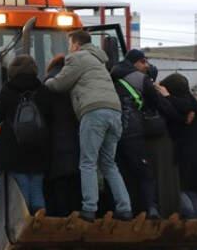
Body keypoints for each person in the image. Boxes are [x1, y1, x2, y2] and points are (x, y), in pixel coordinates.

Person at [45, 30, 132, 222]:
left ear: (75, 44)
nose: (69, 49)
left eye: (69, 44)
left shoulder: (77, 58)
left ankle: (89, 208)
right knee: (109, 164)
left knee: (87, 162)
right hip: (114, 112)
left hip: (94, 113)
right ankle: (124, 207)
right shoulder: (100, 61)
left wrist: (45, 83)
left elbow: (60, 84)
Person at [0, 55, 51, 215]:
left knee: (22, 186)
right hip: (38, 149)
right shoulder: (43, 90)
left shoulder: (8, 90)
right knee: (37, 186)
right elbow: (50, 117)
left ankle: (24, 225)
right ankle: (39, 219)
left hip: (13, 149)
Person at [110, 49, 161, 220]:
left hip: (114, 131)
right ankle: (151, 208)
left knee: (121, 172)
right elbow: (160, 104)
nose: (146, 66)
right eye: (143, 62)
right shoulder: (141, 80)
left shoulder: (110, 76)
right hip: (133, 131)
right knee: (144, 172)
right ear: (136, 63)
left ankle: (125, 210)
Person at [157, 73, 197, 219]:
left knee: (181, 188)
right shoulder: (191, 102)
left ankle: (192, 219)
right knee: (190, 189)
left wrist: (166, 97)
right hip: (196, 152)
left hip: (184, 152)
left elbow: (177, 110)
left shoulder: (182, 104)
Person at [44, 55, 82, 217]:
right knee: (74, 183)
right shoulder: (77, 82)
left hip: (54, 143)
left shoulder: (47, 83)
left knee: (58, 184)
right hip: (77, 140)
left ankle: (59, 218)